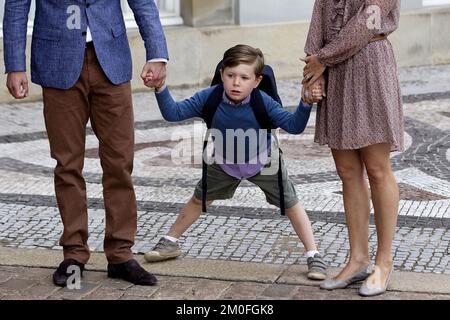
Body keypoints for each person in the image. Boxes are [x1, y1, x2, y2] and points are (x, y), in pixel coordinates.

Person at [3, 0, 169, 287]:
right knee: (67, 164)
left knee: (119, 162)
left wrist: (157, 53)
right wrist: (14, 65)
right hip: (57, 61)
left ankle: (120, 254)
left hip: (111, 60)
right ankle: (74, 255)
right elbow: (16, 6)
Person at [143, 44, 328, 280]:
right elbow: (173, 113)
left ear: (257, 80)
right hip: (223, 162)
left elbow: (293, 126)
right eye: (230, 75)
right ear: (222, 74)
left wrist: (305, 103)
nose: (236, 83)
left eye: (244, 77)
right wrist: (160, 87)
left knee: (291, 203)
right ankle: (169, 242)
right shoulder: (209, 97)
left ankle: (313, 254)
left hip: (264, 161)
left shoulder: (263, 102)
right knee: (199, 199)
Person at [303, 0, 404, 296]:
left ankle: (383, 262)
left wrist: (323, 58)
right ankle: (357, 258)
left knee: (377, 168)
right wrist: (311, 70)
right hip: (335, 70)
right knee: (347, 171)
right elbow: (318, 17)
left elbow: (368, 21)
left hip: (371, 65)